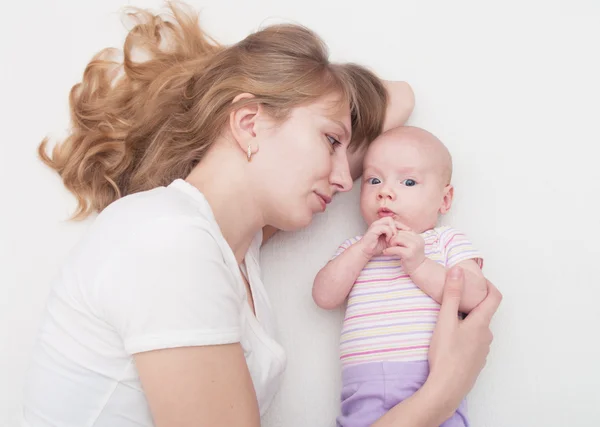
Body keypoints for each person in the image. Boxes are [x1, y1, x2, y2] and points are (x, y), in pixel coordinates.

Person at [22, 2, 501, 427]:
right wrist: (442, 394)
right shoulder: (167, 241)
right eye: (332, 142)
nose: (344, 178)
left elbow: (399, 97)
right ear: (249, 123)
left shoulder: (230, 244)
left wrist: (304, 97)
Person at [313, 127, 491, 426]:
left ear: (444, 200)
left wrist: (420, 265)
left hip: (430, 376)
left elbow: (476, 296)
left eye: (408, 181)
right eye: (373, 180)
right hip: (362, 387)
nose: (385, 191)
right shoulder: (358, 248)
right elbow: (324, 297)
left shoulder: (444, 242)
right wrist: (362, 251)